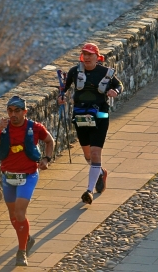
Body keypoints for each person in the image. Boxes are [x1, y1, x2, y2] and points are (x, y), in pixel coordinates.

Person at [0, 96, 54, 266]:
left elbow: (49, 141)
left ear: (24, 112)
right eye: (10, 111)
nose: (13, 114)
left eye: (17, 111)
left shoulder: (35, 127)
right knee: (13, 215)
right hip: (8, 176)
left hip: (28, 175)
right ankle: (26, 237)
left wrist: (46, 159)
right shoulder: (2, 128)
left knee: (20, 213)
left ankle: (21, 252)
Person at [58, 43, 123, 205]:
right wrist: (61, 96)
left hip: (100, 115)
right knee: (88, 155)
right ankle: (101, 172)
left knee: (95, 153)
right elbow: (64, 88)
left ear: (97, 56)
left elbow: (119, 85)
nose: (86, 57)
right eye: (84, 54)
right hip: (81, 117)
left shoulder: (105, 72)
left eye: (90, 54)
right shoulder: (75, 71)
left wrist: (115, 92)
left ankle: (89, 191)